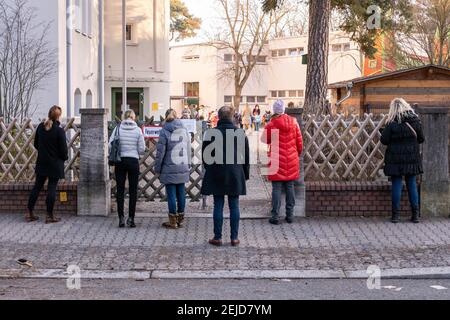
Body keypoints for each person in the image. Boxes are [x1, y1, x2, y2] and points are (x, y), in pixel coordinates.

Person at [201, 106, 250, 247]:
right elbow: (246, 157)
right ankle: (234, 238)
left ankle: (217, 237)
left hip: (217, 172)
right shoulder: (240, 133)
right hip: (235, 173)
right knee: (234, 205)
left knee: (218, 205)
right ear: (232, 117)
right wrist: (245, 174)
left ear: (219, 117)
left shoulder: (211, 133)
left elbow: (205, 157)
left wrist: (209, 169)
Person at [381, 98, 425, 224]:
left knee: (397, 184)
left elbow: (384, 140)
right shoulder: (415, 121)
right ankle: (415, 215)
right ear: (406, 106)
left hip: (395, 159)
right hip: (412, 158)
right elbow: (421, 139)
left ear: (392, 109)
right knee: (411, 184)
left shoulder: (391, 123)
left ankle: (395, 216)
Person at [262, 100, 303, 225]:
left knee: (276, 188)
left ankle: (275, 216)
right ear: (284, 110)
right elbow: (299, 141)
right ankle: (290, 215)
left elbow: (264, 139)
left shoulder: (272, 124)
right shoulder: (294, 122)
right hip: (291, 158)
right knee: (290, 187)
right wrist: (296, 154)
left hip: (276, 160)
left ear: (275, 110)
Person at [27, 106, 68, 224]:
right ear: (58, 116)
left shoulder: (40, 127)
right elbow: (64, 151)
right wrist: (64, 158)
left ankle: (30, 212)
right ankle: (49, 216)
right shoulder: (59, 131)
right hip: (55, 164)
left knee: (37, 187)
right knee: (52, 188)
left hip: (42, 162)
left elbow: (36, 144)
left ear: (49, 114)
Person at [154, 109, 191, 229]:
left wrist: (157, 168)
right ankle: (181, 219)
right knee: (181, 193)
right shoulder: (184, 130)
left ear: (165, 117)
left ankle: (173, 221)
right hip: (183, 166)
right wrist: (188, 165)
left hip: (169, 167)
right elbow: (188, 149)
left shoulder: (164, 131)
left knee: (171, 194)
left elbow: (160, 152)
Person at [109, 110, 145, 228]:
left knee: (120, 190)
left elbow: (110, 145)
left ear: (123, 117)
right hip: (133, 161)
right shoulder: (138, 130)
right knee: (133, 191)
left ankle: (121, 218)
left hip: (120, 161)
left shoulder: (118, 128)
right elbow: (141, 149)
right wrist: (136, 153)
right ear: (134, 118)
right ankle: (131, 218)